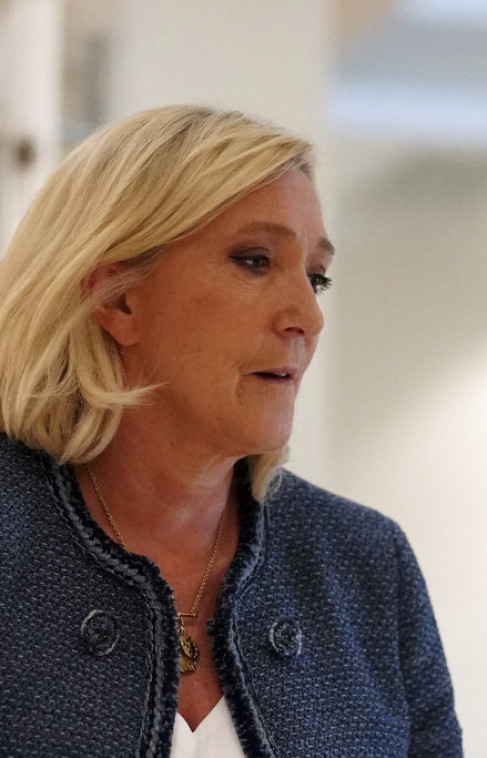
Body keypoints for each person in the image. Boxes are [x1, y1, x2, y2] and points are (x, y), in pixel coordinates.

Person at [0, 105, 462, 757]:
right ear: (117, 299)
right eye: (255, 261)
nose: (308, 316)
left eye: (316, 277)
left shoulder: (367, 563)